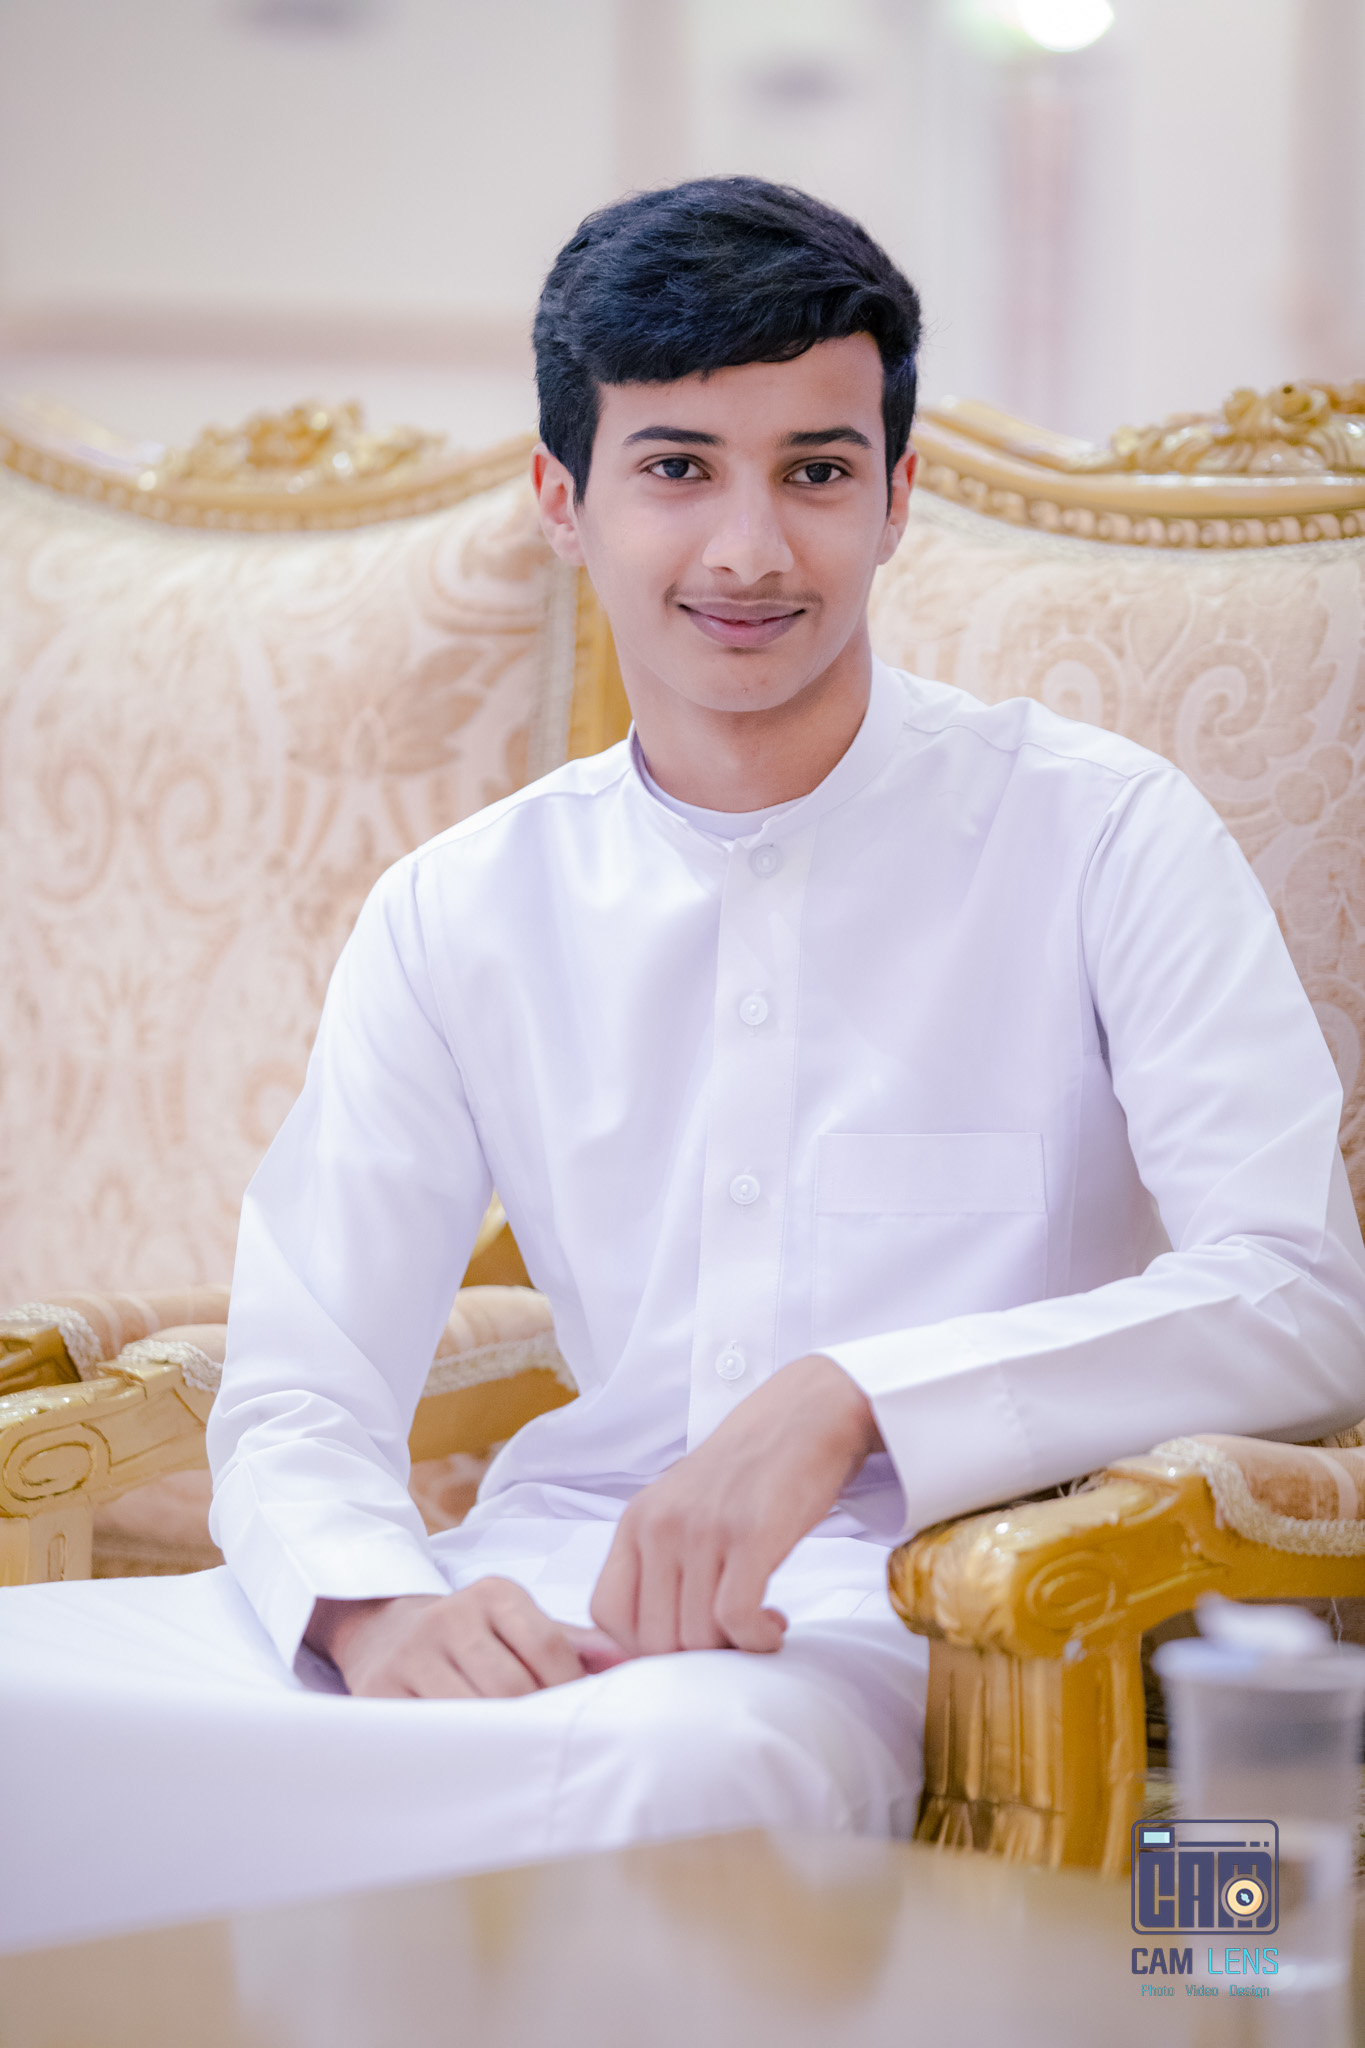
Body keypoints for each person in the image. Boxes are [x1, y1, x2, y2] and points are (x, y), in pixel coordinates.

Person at [4, 177, 1364, 1952]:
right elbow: (304, 1379)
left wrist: (850, 1398)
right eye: (675, 467)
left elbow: (1296, 1294)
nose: (747, 550)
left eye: (815, 470)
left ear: (895, 497)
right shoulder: (460, 905)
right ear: (561, 499)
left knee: (656, 1782)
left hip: (894, 1614)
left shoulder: (1102, 835)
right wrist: (368, 1607)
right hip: (511, 1589)